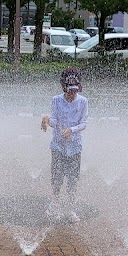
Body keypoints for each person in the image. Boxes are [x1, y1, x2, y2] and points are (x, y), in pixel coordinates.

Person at [41, 67, 88, 222]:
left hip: (75, 147)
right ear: (64, 88)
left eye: (74, 91)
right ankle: (55, 203)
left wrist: (72, 130)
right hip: (58, 146)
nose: (71, 94)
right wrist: (47, 120)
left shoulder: (83, 102)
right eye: (69, 91)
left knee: (73, 179)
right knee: (56, 176)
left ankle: (70, 209)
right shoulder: (56, 100)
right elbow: (54, 120)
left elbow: (84, 123)